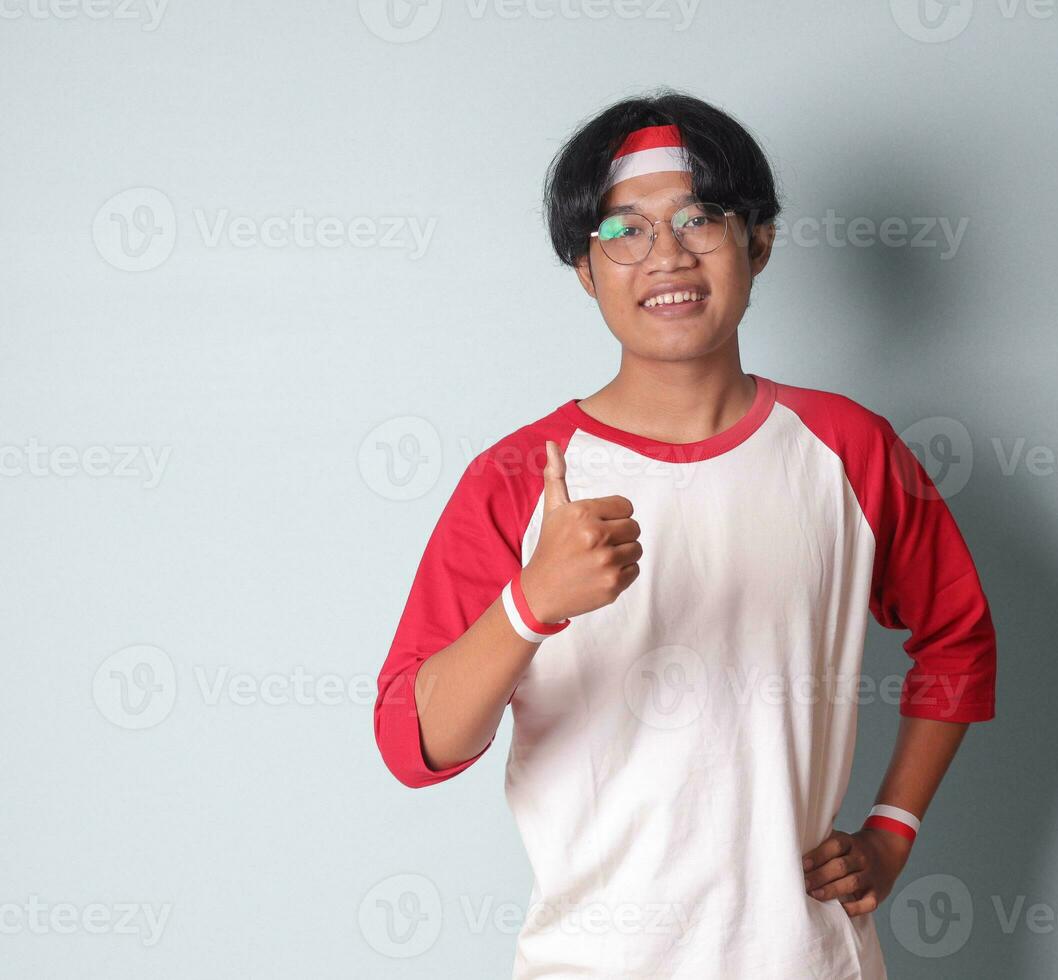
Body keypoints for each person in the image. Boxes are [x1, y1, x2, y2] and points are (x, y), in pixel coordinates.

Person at [372, 88, 998, 979]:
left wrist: (892, 830)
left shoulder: (849, 449)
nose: (666, 254)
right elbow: (413, 742)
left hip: (809, 960)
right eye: (624, 230)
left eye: (700, 217)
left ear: (760, 241)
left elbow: (959, 638)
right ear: (585, 270)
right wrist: (531, 605)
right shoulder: (518, 479)